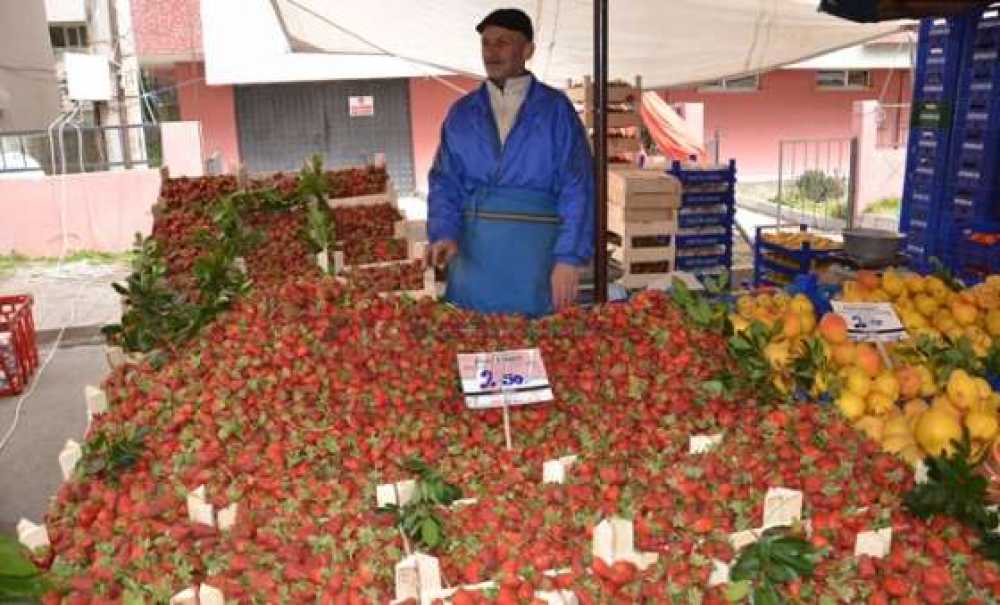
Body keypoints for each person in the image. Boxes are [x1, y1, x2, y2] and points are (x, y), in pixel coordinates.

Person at [426, 8, 595, 317]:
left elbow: (578, 187)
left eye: (503, 42)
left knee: (540, 346)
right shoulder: (461, 113)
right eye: (486, 43)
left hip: (535, 256)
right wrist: (443, 233)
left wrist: (569, 259)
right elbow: (444, 181)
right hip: (475, 256)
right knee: (474, 337)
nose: (492, 52)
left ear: (527, 50)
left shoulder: (557, 111)